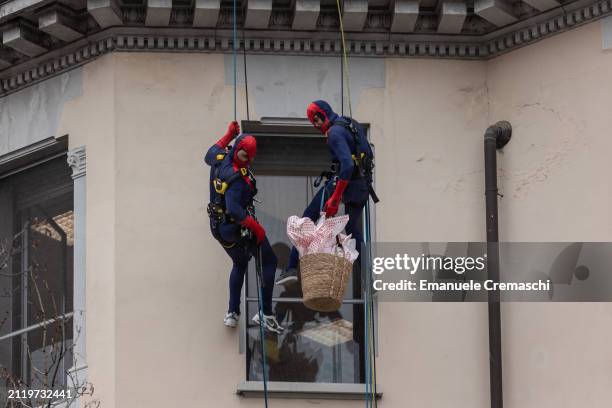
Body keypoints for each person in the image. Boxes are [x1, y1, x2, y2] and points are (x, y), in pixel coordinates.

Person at [275, 100, 377, 286]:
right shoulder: (349, 123)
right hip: (361, 186)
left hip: (344, 183)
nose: (316, 125)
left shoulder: (334, 133)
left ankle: (290, 268)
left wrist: (335, 197)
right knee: (353, 230)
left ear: (324, 114)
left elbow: (346, 165)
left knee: (307, 218)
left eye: (317, 120)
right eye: (312, 122)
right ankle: (369, 277)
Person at [205, 121, 284, 333]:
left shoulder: (220, 157)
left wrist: (228, 134)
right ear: (238, 150)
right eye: (244, 156)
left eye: (251, 157)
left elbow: (209, 153)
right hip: (237, 227)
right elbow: (235, 210)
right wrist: (257, 229)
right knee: (269, 260)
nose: (248, 161)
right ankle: (266, 313)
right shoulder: (236, 179)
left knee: (240, 263)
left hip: (219, 228)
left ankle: (232, 313)